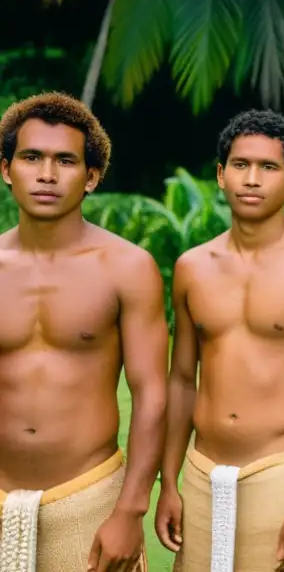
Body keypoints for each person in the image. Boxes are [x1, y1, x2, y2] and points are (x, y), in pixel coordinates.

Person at [155, 110, 284, 572]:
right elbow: (182, 380)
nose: (252, 178)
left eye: (269, 168)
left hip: (282, 470)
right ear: (221, 175)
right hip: (202, 468)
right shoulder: (192, 267)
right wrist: (169, 482)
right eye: (241, 165)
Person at [0, 92, 167, 572]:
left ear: (91, 176)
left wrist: (130, 511)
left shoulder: (127, 268)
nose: (47, 174)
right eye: (31, 157)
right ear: (7, 169)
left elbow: (152, 394)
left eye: (65, 161)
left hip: (90, 496)